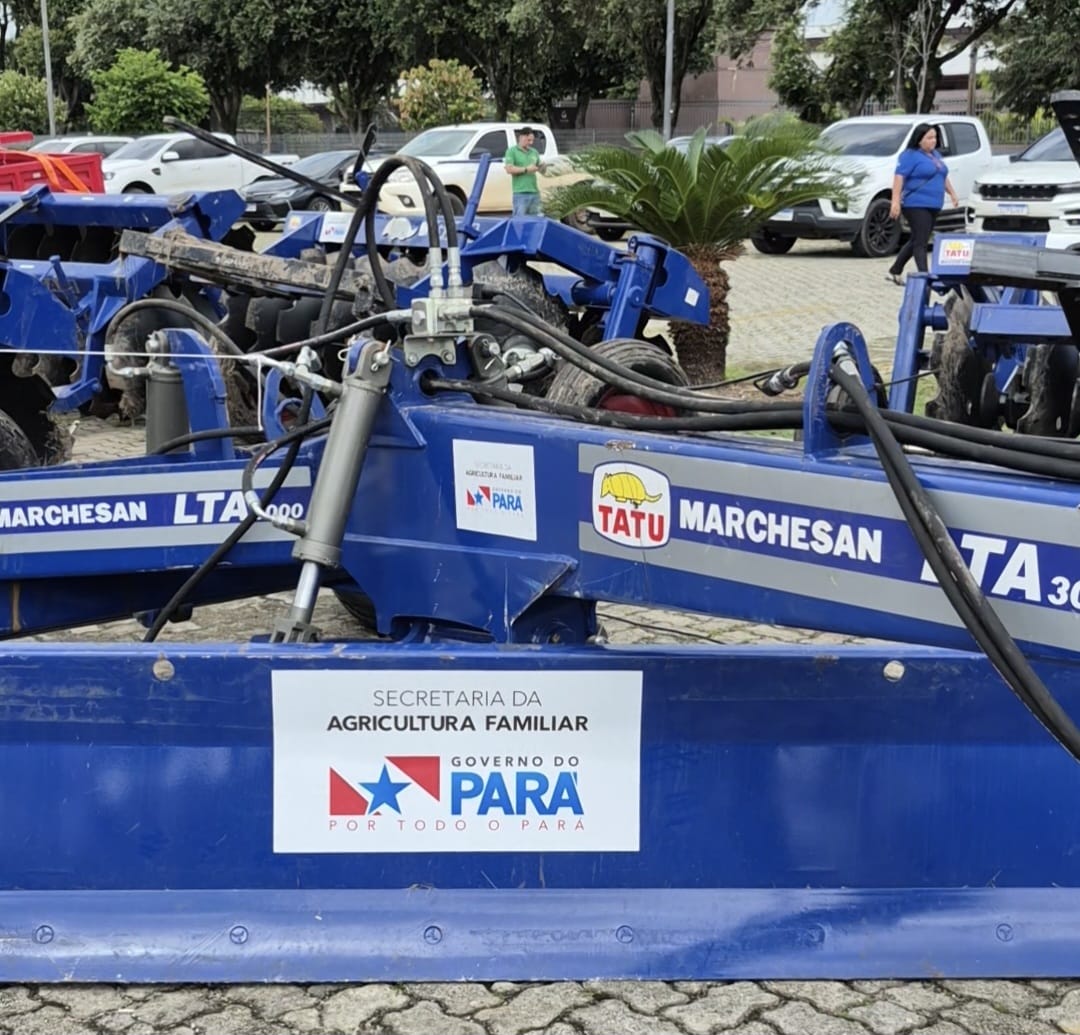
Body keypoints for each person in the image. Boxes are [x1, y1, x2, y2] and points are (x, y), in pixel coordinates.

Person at [885, 122, 958, 285]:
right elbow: (899, 178)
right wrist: (895, 201)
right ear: (919, 140)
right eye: (929, 138)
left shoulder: (936, 156)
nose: (933, 141)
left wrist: (952, 193)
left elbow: (942, 176)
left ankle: (895, 270)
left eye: (935, 138)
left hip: (934, 204)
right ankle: (924, 275)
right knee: (921, 241)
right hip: (915, 203)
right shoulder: (909, 155)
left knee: (918, 238)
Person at [504, 126, 547, 216]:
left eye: (532, 140)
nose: (530, 143)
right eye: (528, 140)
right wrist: (526, 169)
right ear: (521, 137)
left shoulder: (534, 152)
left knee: (536, 221)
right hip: (520, 193)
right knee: (520, 222)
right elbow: (509, 169)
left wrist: (542, 167)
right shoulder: (512, 151)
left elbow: (539, 168)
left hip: (534, 192)